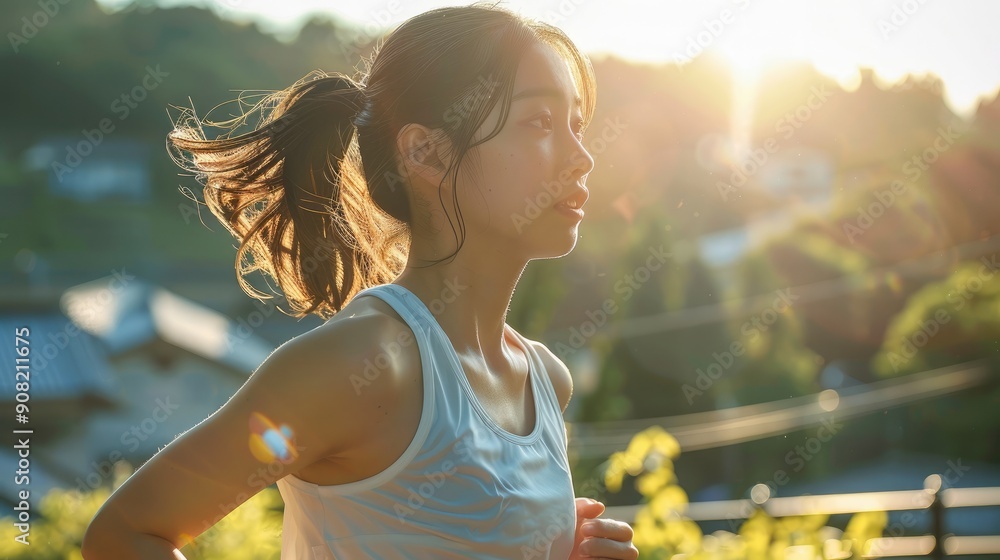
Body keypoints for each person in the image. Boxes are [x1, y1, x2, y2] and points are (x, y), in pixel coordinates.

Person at [82, 2, 637, 558]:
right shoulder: (362, 365)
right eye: (540, 122)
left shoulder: (544, 380)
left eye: (576, 126)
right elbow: (125, 536)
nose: (582, 157)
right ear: (427, 153)